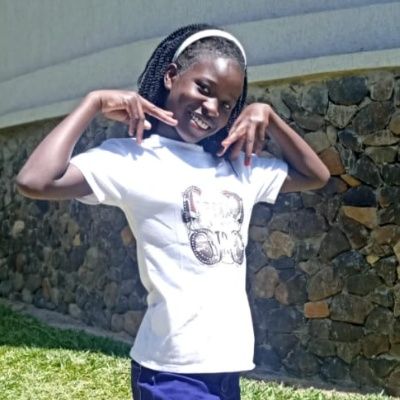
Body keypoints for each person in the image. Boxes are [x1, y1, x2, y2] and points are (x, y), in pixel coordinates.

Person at [16, 23, 330, 400]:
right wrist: (93, 103)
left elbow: (315, 175)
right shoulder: (132, 159)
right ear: (170, 76)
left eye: (227, 104)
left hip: (226, 368)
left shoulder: (236, 168)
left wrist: (270, 116)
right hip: (171, 370)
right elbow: (35, 180)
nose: (212, 108)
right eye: (204, 89)